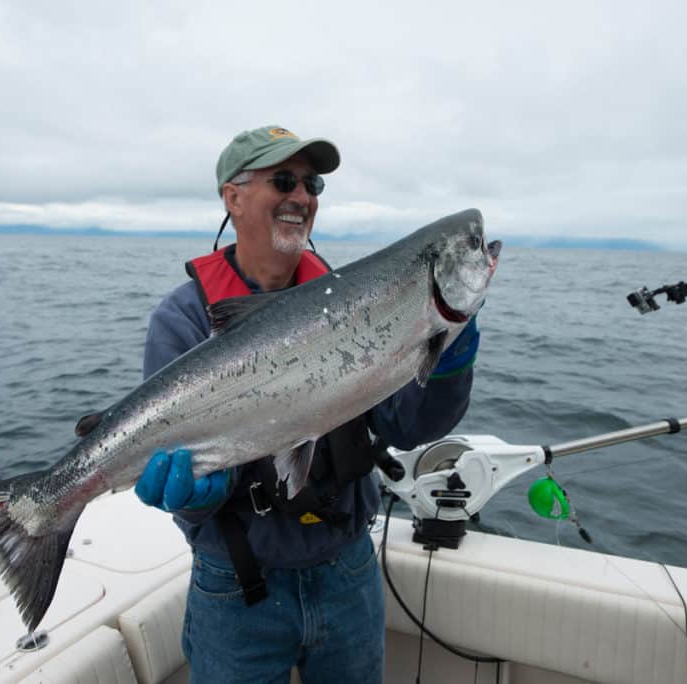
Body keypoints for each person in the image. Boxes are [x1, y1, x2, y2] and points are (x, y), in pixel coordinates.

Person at [136, 125, 480, 683]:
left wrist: (449, 348)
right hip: (237, 585)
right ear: (233, 195)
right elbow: (174, 469)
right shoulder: (182, 320)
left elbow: (412, 424)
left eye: (313, 184)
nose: (303, 196)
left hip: (348, 571)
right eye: (284, 180)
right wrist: (198, 496)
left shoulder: (355, 301)